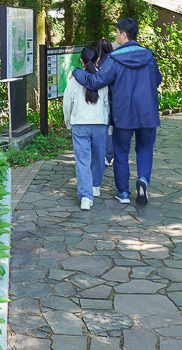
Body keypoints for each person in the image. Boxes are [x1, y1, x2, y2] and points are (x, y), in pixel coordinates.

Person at [72, 18, 161, 205]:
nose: (116, 36)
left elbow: (96, 81)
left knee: (121, 153)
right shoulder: (148, 56)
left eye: (117, 33)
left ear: (124, 34)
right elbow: (157, 80)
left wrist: (77, 72)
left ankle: (123, 193)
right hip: (148, 113)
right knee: (145, 149)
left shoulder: (114, 59)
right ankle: (143, 180)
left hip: (123, 114)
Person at [64, 46, 110, 210]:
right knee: (98, 157)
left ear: (81, 61)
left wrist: (68, 121)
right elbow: (107, 104)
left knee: (82, 161)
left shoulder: (73, 81)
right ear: (97, 60)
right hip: (99, 124)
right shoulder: (102, 80)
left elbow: (67, 104)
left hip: (79, 124)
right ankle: (95, 186)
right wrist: (108, 124)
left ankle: (85, 197)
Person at [96, 38, 115, 166]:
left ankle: (100, 155)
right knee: (110, 131)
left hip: (98, 102)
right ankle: (108, 156)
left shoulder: (95, 63)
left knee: (101, 129)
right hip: (112, 101)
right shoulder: (113, 62)